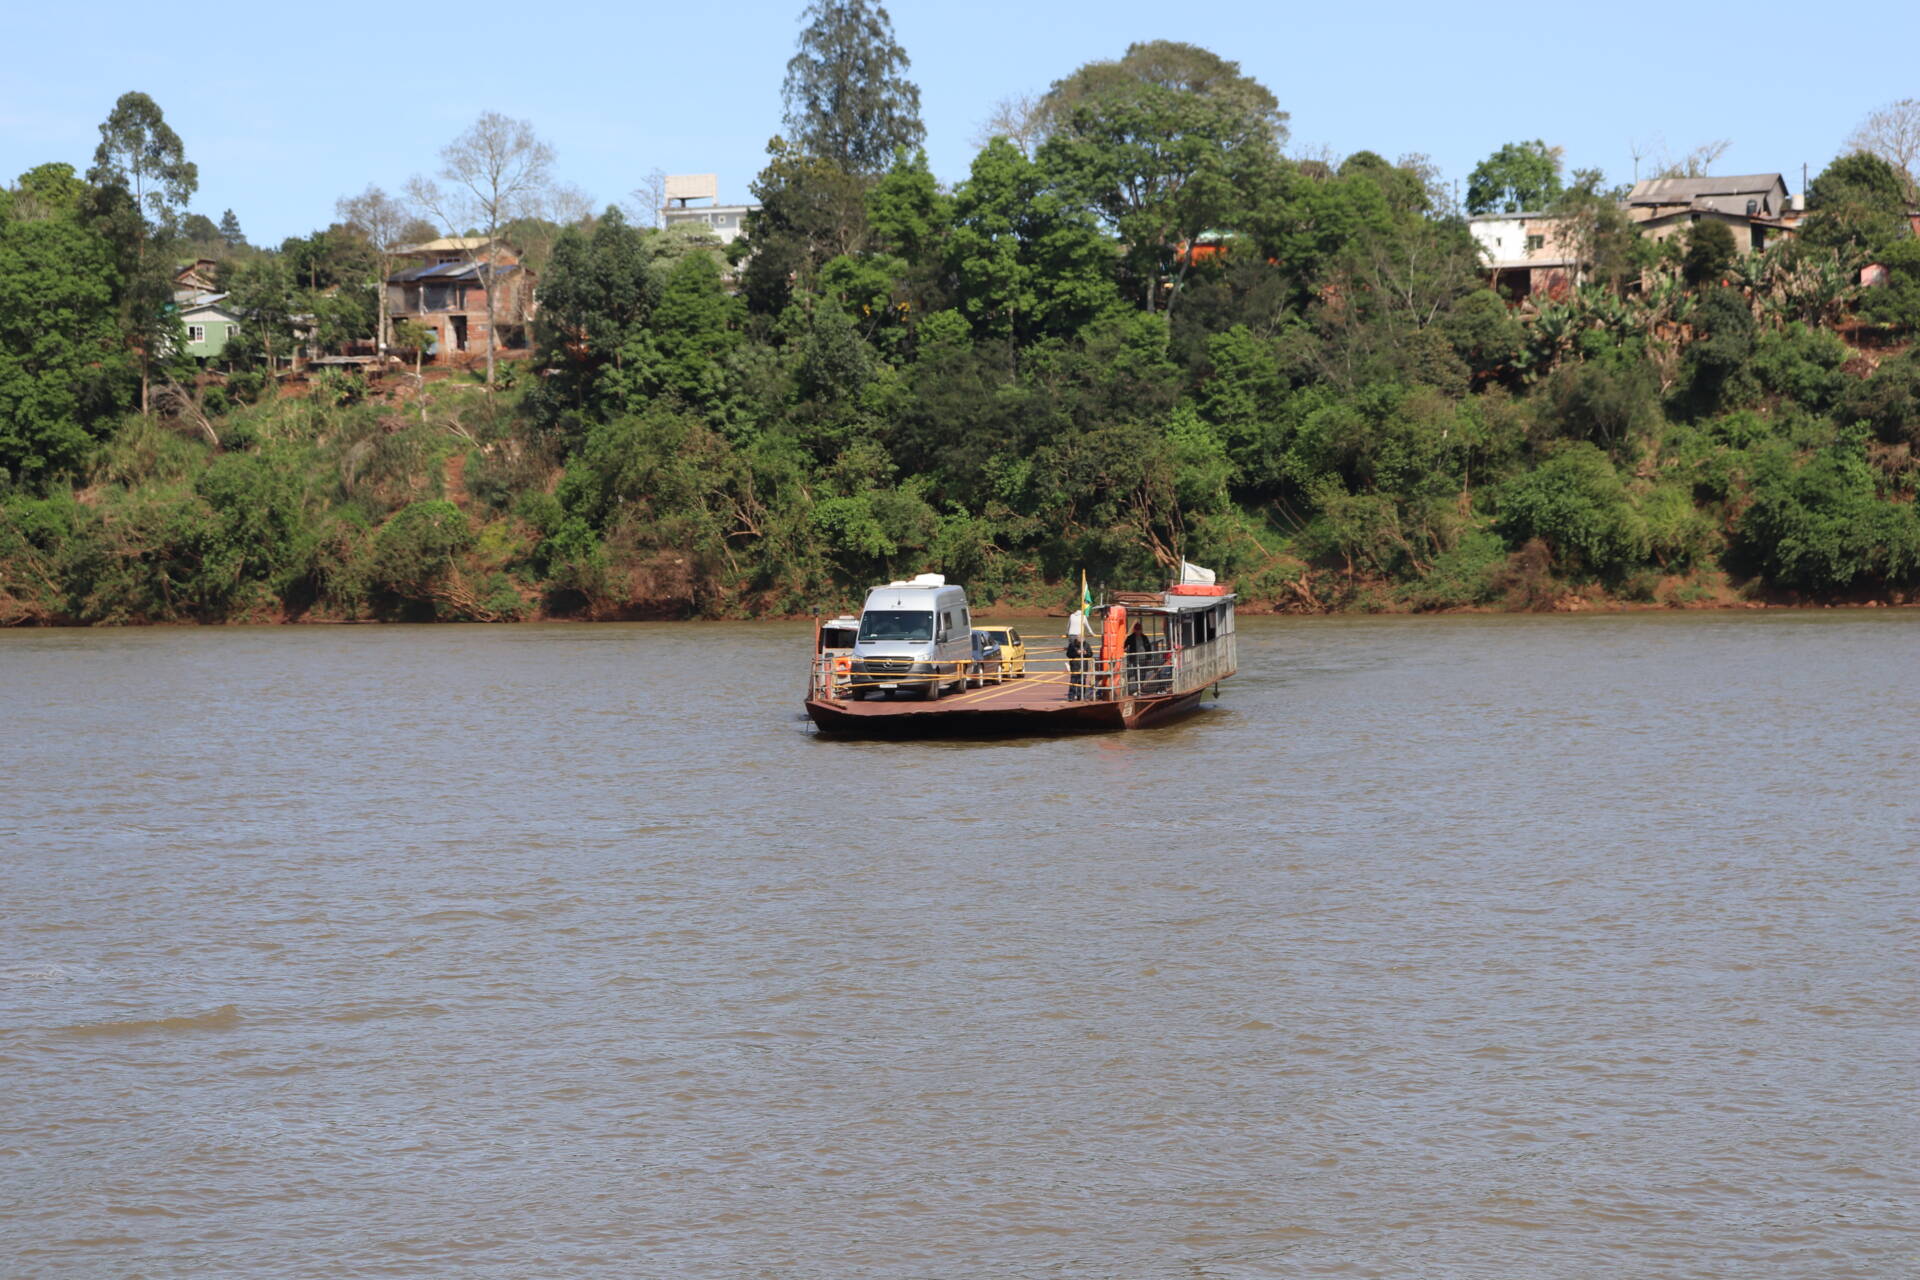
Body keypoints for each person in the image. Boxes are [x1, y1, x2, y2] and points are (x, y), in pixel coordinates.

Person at [1065, 613, 1090, 701]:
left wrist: (1086, 653)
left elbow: (1090, 654)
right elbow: (1068, 654)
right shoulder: (1072, 645)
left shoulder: (1086, 645)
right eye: (1079, 642)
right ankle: (1071, 696)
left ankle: (1080, 696)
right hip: (1075, 664)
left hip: (1084, 664)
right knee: (1073, 680)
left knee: (1082, 680)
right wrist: (1076, 653)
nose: (1080, 643)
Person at [1124, 621, 1150, 696]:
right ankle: (1138, 688)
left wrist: (1149, 658)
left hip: (1143, 658)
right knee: (1136, 673)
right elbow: (1124, 645)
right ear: (1134, 630)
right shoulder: (1130, 637)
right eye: (1137, 630)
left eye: (1139, 630)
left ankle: (1141, 686)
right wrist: (1124, 651)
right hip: (1135, 659)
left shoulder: (1144, 637)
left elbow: (1148, 648)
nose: (1138, 631)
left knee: (1143, 672)